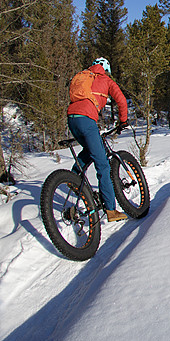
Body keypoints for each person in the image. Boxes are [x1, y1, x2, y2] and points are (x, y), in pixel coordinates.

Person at [66, 57, 130, 222]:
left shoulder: (83, 76)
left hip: (72, 118)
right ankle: (111, 210)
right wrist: (123, 120)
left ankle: (73, 177)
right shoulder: (105, 80)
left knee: (90, 150)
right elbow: (121, 100)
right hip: (87, 119)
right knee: (103, 165)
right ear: (106, 69)